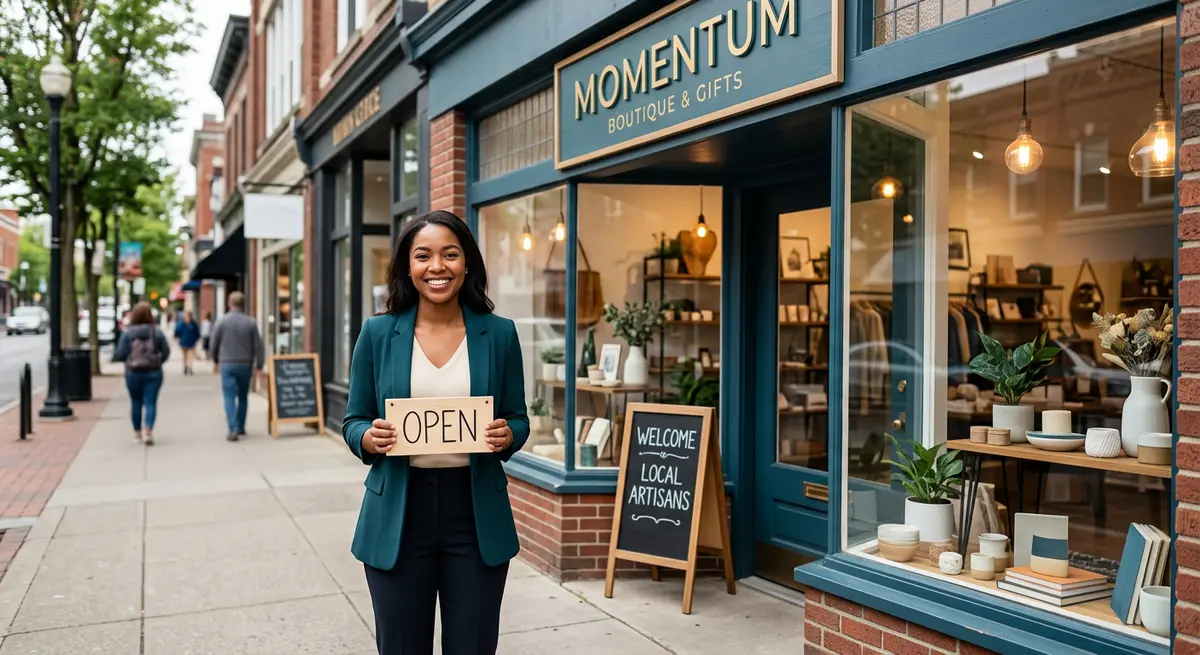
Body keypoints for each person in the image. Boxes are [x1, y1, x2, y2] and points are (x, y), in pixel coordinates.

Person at [343, 210, 529, 655]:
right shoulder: (378, 333)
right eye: (423, 256)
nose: (437, 267)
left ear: (467, 263)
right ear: (408, 267)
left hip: (475, 513)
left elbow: (518, 418)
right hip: (399, 518)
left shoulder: (499, 334)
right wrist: (369, 438)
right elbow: (353, 420)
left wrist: (509, 436)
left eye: (450, 254)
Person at [112, 302, 170, 446]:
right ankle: (148, 431)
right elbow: (166, 351)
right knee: (151, 402)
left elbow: (120, 353)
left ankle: (137, 433)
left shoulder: (127, 333)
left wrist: (127, 361)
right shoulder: (156, 332)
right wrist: (158, 361)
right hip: (153, 372)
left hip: (133, 372)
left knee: (135, 402)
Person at [209, 292, 264, 441]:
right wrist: (259, 364)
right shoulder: (251, 323)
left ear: (229, 303)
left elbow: (213, 344)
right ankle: (240, 427)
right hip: (245, 364)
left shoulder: (221, 322)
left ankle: (232, 428)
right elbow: (258, 346)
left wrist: (215, 361)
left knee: (229, 396)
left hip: (227, 363)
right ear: (243, 304)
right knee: (243, 396)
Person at [174, 311, 201, 375]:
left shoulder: (193, 324)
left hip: (191, 342)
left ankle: (189, 367)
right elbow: (177, 331)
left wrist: (196, 339)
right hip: (183, 342)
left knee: (190, 356)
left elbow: (197, 333)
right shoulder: (182, 324)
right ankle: (185, 366)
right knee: (185, 355)